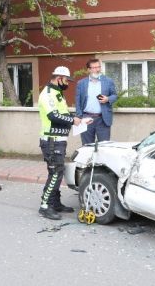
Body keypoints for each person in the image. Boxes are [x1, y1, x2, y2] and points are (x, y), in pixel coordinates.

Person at [38, 66, 89, 220]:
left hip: (59, 140)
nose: (67, 83)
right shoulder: (47, 94)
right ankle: (45, 205)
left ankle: (55, 203)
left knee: (57, 173)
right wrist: (73, 120)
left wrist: (78, 120)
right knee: (55, 173)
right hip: (51, 140)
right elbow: (53, 116)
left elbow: (64, 114)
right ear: (59, 78)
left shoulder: (58, 93)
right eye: (66, 80)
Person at [75, 59, 118, 145]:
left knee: (104, 146)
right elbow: (78, 101)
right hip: (86, 118)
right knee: (87, 146)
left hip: (103, 119)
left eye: (98, 67)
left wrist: (108, 99)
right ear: (89, 69)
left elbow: (115, 95)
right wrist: (79, 116)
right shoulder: (81, 83)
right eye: (94, 67)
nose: (97, 69)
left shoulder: (108, 81)